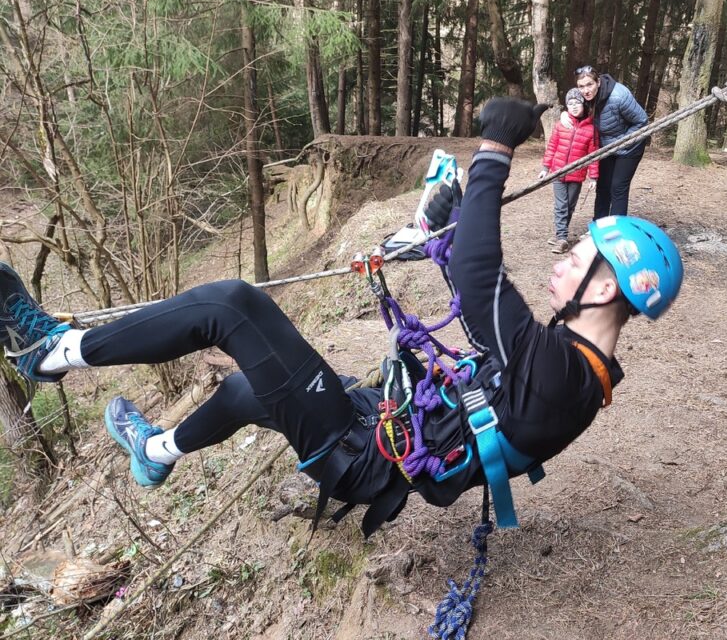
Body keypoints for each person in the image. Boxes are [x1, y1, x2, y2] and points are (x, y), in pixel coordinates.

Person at [0, 98, 683, 536]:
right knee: (245, 390)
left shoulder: (563, 371)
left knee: (231, 305)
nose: (563, 263)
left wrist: (496, 153)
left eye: (580, 260)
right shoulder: (574, 365)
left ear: (605, 290)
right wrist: (439, 224)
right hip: (377, 425)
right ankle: (154, 456)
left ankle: (51, 353)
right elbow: (477, 292)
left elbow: (480, 283)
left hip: (363, 455)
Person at [566, 65, 648, 219]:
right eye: (581, 86)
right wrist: (565, 115)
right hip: (606, 146)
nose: (586, 90)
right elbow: (575, 110)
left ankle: (617, 230)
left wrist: (620, 142)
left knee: (618, 187)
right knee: (603, 187)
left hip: (630, 146)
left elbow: (642, 121)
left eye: (589, 84)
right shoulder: (583, 97)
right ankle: (599, 226)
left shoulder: (619, 96)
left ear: (598, 82)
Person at [540, 87, 599, 254]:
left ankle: (560, 233)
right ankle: (562, 238)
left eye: (577, 103)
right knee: (561, 205)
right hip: (558, 172)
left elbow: (593, 155)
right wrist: (546, 167)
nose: (573, 106)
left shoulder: (591, 129)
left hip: (577, 175)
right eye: (570, 103)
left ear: (584, 105)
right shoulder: (561, 125)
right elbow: (552, 147)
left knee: (570, 205)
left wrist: (593, 177)